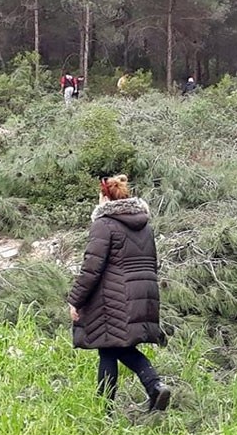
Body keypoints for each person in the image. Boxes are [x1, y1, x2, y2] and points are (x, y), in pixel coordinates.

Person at [67, 175, 171, 412]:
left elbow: (92, 267)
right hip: (143, 292)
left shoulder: (103, 224)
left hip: (113, 295)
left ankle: (140, 391)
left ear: (104, 197)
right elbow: (152, 262)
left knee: (110, 347)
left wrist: (75, 300)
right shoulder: (144, 224)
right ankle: (148, 389)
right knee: (111, 347)